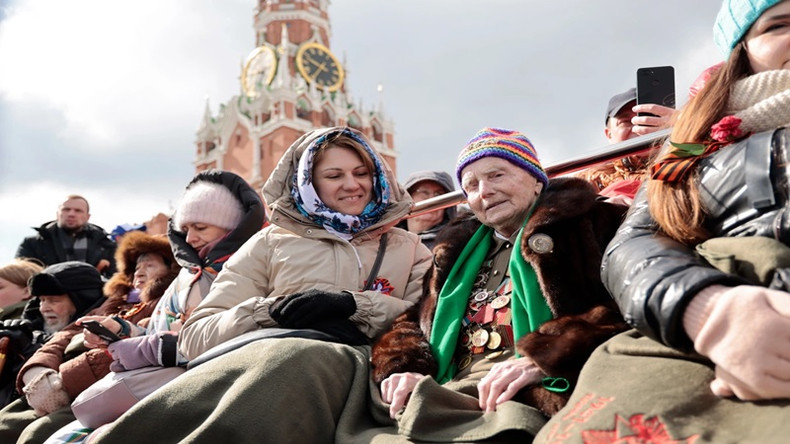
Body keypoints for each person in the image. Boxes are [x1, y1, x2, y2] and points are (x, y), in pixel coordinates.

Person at [534, 1, 790, 442]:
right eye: (780, 24)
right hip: (702, 312)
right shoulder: (694, 146)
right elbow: (637, 242)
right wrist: (707, 310)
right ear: (743, 49)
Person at [85, 127, 431, 443]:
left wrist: (355, 306)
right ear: (308, 182)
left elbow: (427, 322)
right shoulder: (269, 243)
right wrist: (270, 312)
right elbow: (196, 336)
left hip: (361, 379)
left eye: (361, 173)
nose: (352, 184)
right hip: (263, 373)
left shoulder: (409, 247)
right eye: (334, 175)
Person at [369, 128, 628, 442]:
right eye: (472, 185)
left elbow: (630, 308)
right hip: (445, 383)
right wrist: (403, 367)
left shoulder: (595, 222)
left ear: (536, 180)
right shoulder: (454, 252)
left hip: (525, 392)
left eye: (497, 175)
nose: (485, 191)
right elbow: (412, 320)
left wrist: (547, 357)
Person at [43, 169, 266, 442]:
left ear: (231, 225)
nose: (191, 238)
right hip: (153, 383)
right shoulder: (187, 276)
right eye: (185, 229)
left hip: (208, 389)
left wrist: (148, 346)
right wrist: (124, 330)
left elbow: (237, 335)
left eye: (201, 227)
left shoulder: (250, 267)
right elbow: (158, 332)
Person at [0, 232, 179, 443]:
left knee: (32, 435)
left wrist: (63, 379)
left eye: (149, 265)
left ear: (171, 270)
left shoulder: (164, 306)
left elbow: (133, 355)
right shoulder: (114, 302)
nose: (139, 271)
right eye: (136, 266)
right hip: (58, 384)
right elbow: (66, 334)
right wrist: (37, 370)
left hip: (100, 390)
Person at [0, 262, 105, 411]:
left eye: (54, 300)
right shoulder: (29, 330)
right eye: (42, 300)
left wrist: (28, 351)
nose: (44, 308)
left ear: (81, 300)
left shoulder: (94, 336)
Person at [581, 87, 678, 205]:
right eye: (626, 121)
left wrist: (683, 129)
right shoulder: (588, 179)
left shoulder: (686, 156)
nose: (638, 127)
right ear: (609, 134)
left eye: (648, 117)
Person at [16, 196, 117, 278]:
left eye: (78, 211)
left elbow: (116, 277)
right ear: (58, 214)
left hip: (94, 299)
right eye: (66, 209)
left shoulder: (107, 246)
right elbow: (19, 276)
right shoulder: (33, 244)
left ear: (87, 217)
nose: (71, 214)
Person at [400, 170, 457, 250]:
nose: (432, 199)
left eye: (439, 194)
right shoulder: (387, 239)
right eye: (424, 192)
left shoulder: (455, 242)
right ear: (408, 197)